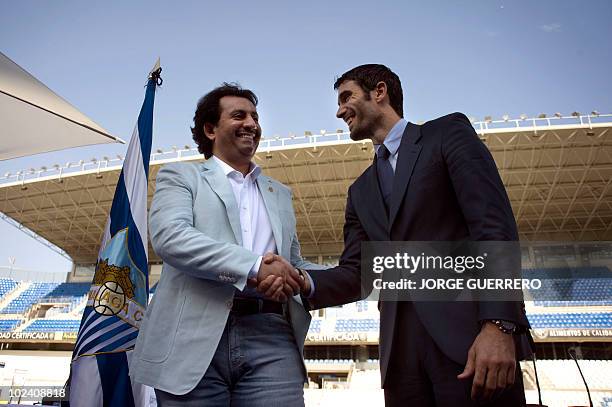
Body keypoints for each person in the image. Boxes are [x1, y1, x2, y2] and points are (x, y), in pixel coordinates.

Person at [264, 64, 533, 406]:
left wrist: (499, 324)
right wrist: (301, 279)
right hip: (400, 358)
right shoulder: (359, 191)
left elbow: (493, 228)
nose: (339, 110)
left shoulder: (446, 134)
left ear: (379, 92)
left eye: (347, 97)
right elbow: (357, 275)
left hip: (470, 339)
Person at [131, 83, 324, 406]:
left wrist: (359, 274)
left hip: (271, 335)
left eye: (255, 116)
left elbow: (293, 262)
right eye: (239, 115)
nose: (252, 123)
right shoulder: (180, 177)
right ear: (210, 129)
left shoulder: (280, 194)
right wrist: (254, 266)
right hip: (190, 339)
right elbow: (171, 237)